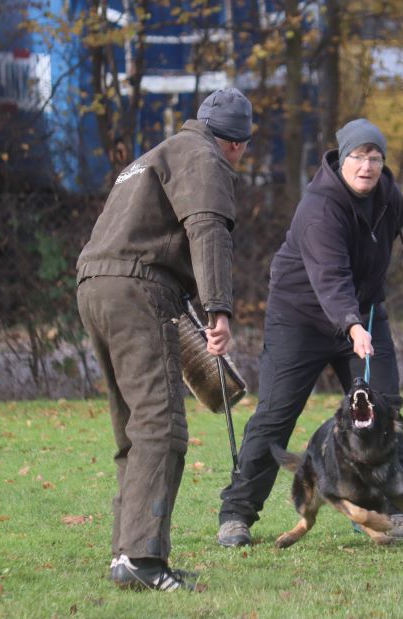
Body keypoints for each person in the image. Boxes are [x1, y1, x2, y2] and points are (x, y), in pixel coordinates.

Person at [76, 88, 252, 591]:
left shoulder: (154, 156)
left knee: (133, 427)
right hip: (137, 290)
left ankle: (124, 556)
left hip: (95, 286)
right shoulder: (206, 158)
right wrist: (218, 307)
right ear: (237, 144)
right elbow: (207, 228)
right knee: (161, 426)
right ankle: (145, 561)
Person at [216, 117, 403, 547]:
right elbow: (330, 277)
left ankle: (390, 509)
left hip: (361, 313)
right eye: (359, 157)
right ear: (343, 159)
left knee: (387, 410)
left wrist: (365, 317)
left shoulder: (389, 198)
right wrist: (350, 325)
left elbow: (377, 260)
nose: (367, 166)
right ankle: (236, 515)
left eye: (375, 158)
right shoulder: (319, 208)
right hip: (302, 317)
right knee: (275, 415)